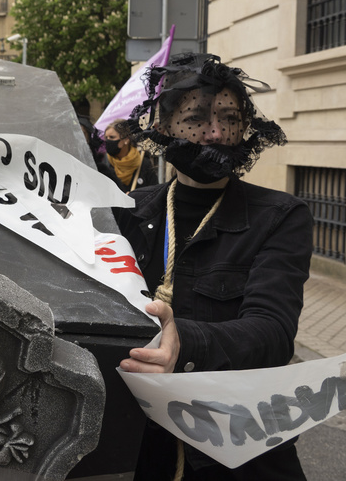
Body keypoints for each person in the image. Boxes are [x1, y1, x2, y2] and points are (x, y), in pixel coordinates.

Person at [114, 53, 312, 480]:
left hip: (234, 451)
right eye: (196, 118)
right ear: (164, 127)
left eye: (230, 118)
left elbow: (273, 331)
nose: (217, 132)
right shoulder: (125, 211)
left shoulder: (279, 216)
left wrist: (185, 342)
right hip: (137, 448)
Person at [101, 118, 158, 192]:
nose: (108, 141)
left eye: (112, 137)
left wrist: (136, 195)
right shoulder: (104, 164)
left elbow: (154, 192)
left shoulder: (143, 163)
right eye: (106, 138)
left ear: (126, 139)